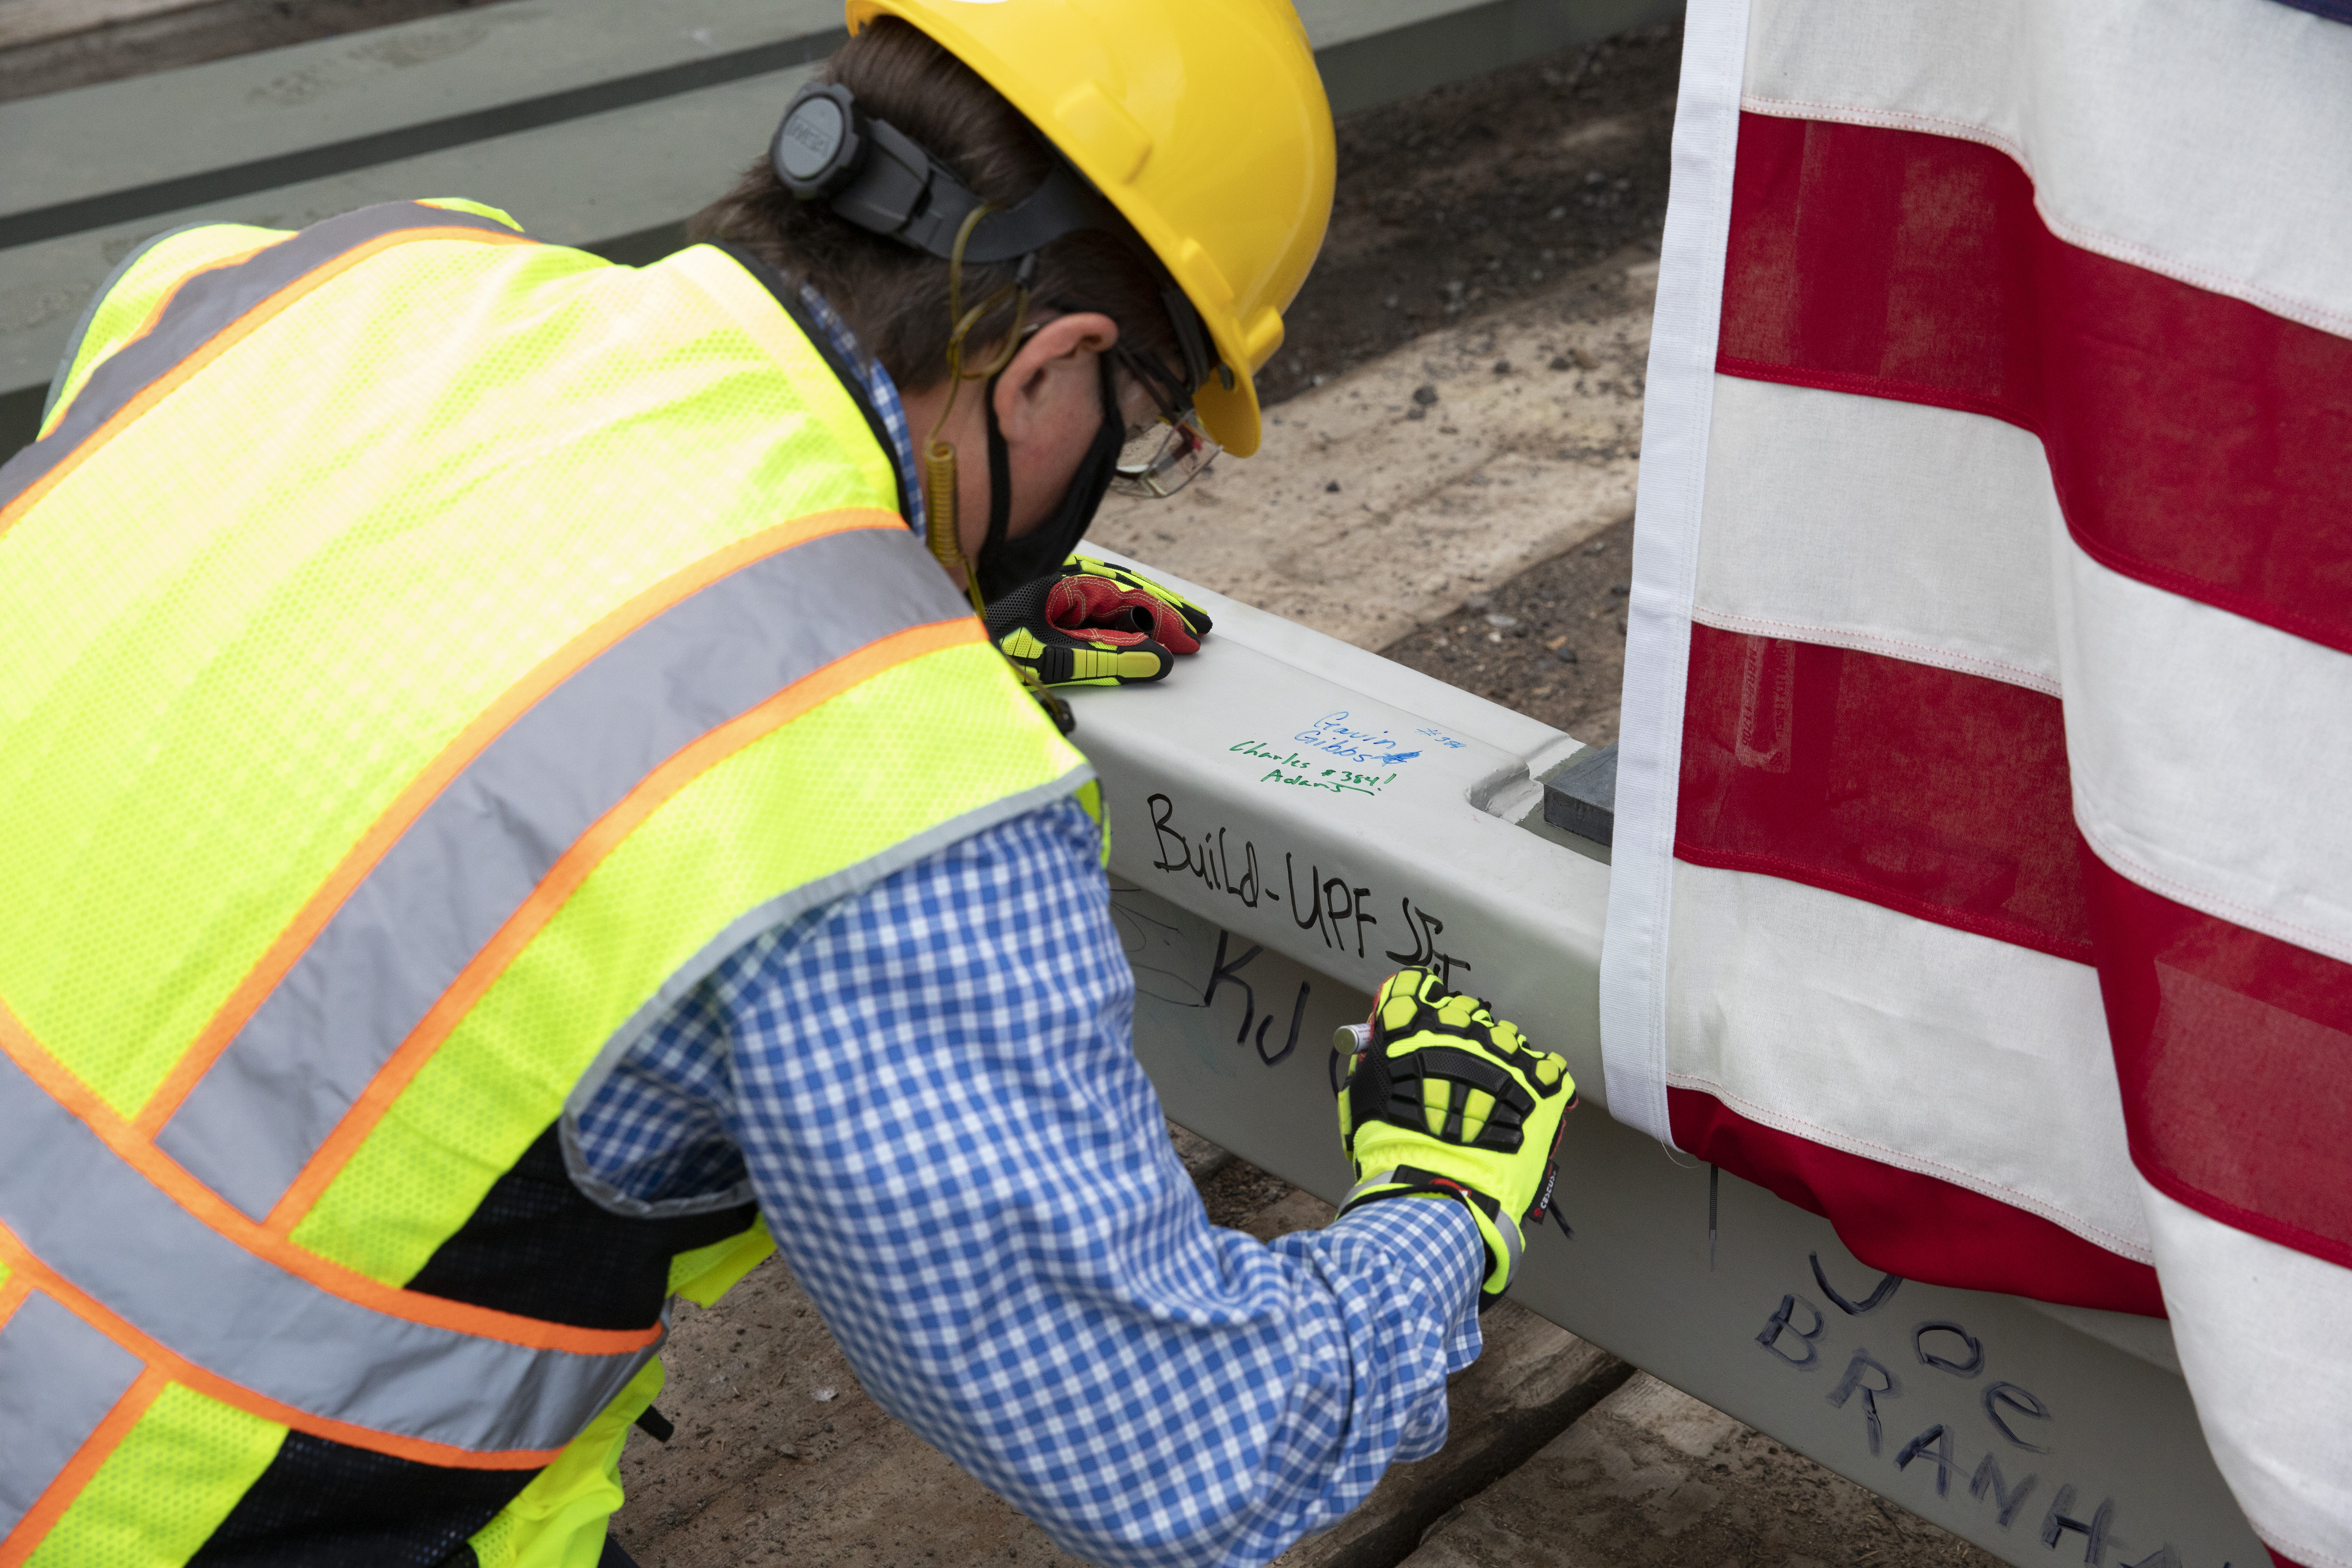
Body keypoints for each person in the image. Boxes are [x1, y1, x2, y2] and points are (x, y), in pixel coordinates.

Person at [0, 3, 1575, 1565]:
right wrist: (1441, 1201)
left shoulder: (321, 281)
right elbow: (1175, 1445)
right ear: (1058, 367)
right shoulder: (874, 779)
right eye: (1145, 435)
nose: (1121, 472)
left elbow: (352, 640)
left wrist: (910, 596)